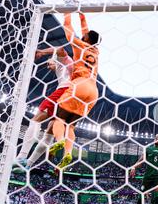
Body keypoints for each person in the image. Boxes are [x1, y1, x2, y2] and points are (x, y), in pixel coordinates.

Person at [48, 12, 101, 172]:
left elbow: (68, 29)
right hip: (93, 92)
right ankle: (68, 154)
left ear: (85, 38)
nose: (82, 35)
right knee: (71, 126)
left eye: (84, 35)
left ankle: (59, 140)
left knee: (59, 118)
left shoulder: (78, 45)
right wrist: (82, 15)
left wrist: (67, 13)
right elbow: (87, 32)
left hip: (79, 86)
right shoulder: (96, 51)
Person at [16, 47, 72, 167]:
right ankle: (29, 164)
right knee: (50, 131)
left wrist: (42, 52)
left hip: (64, 90)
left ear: (56, 60)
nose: (48, 66)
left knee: (36, 119)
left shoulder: (64, 61)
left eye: (48, 63)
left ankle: (21, 156)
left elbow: (61, 49)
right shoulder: (66, 69)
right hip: (72, 98)